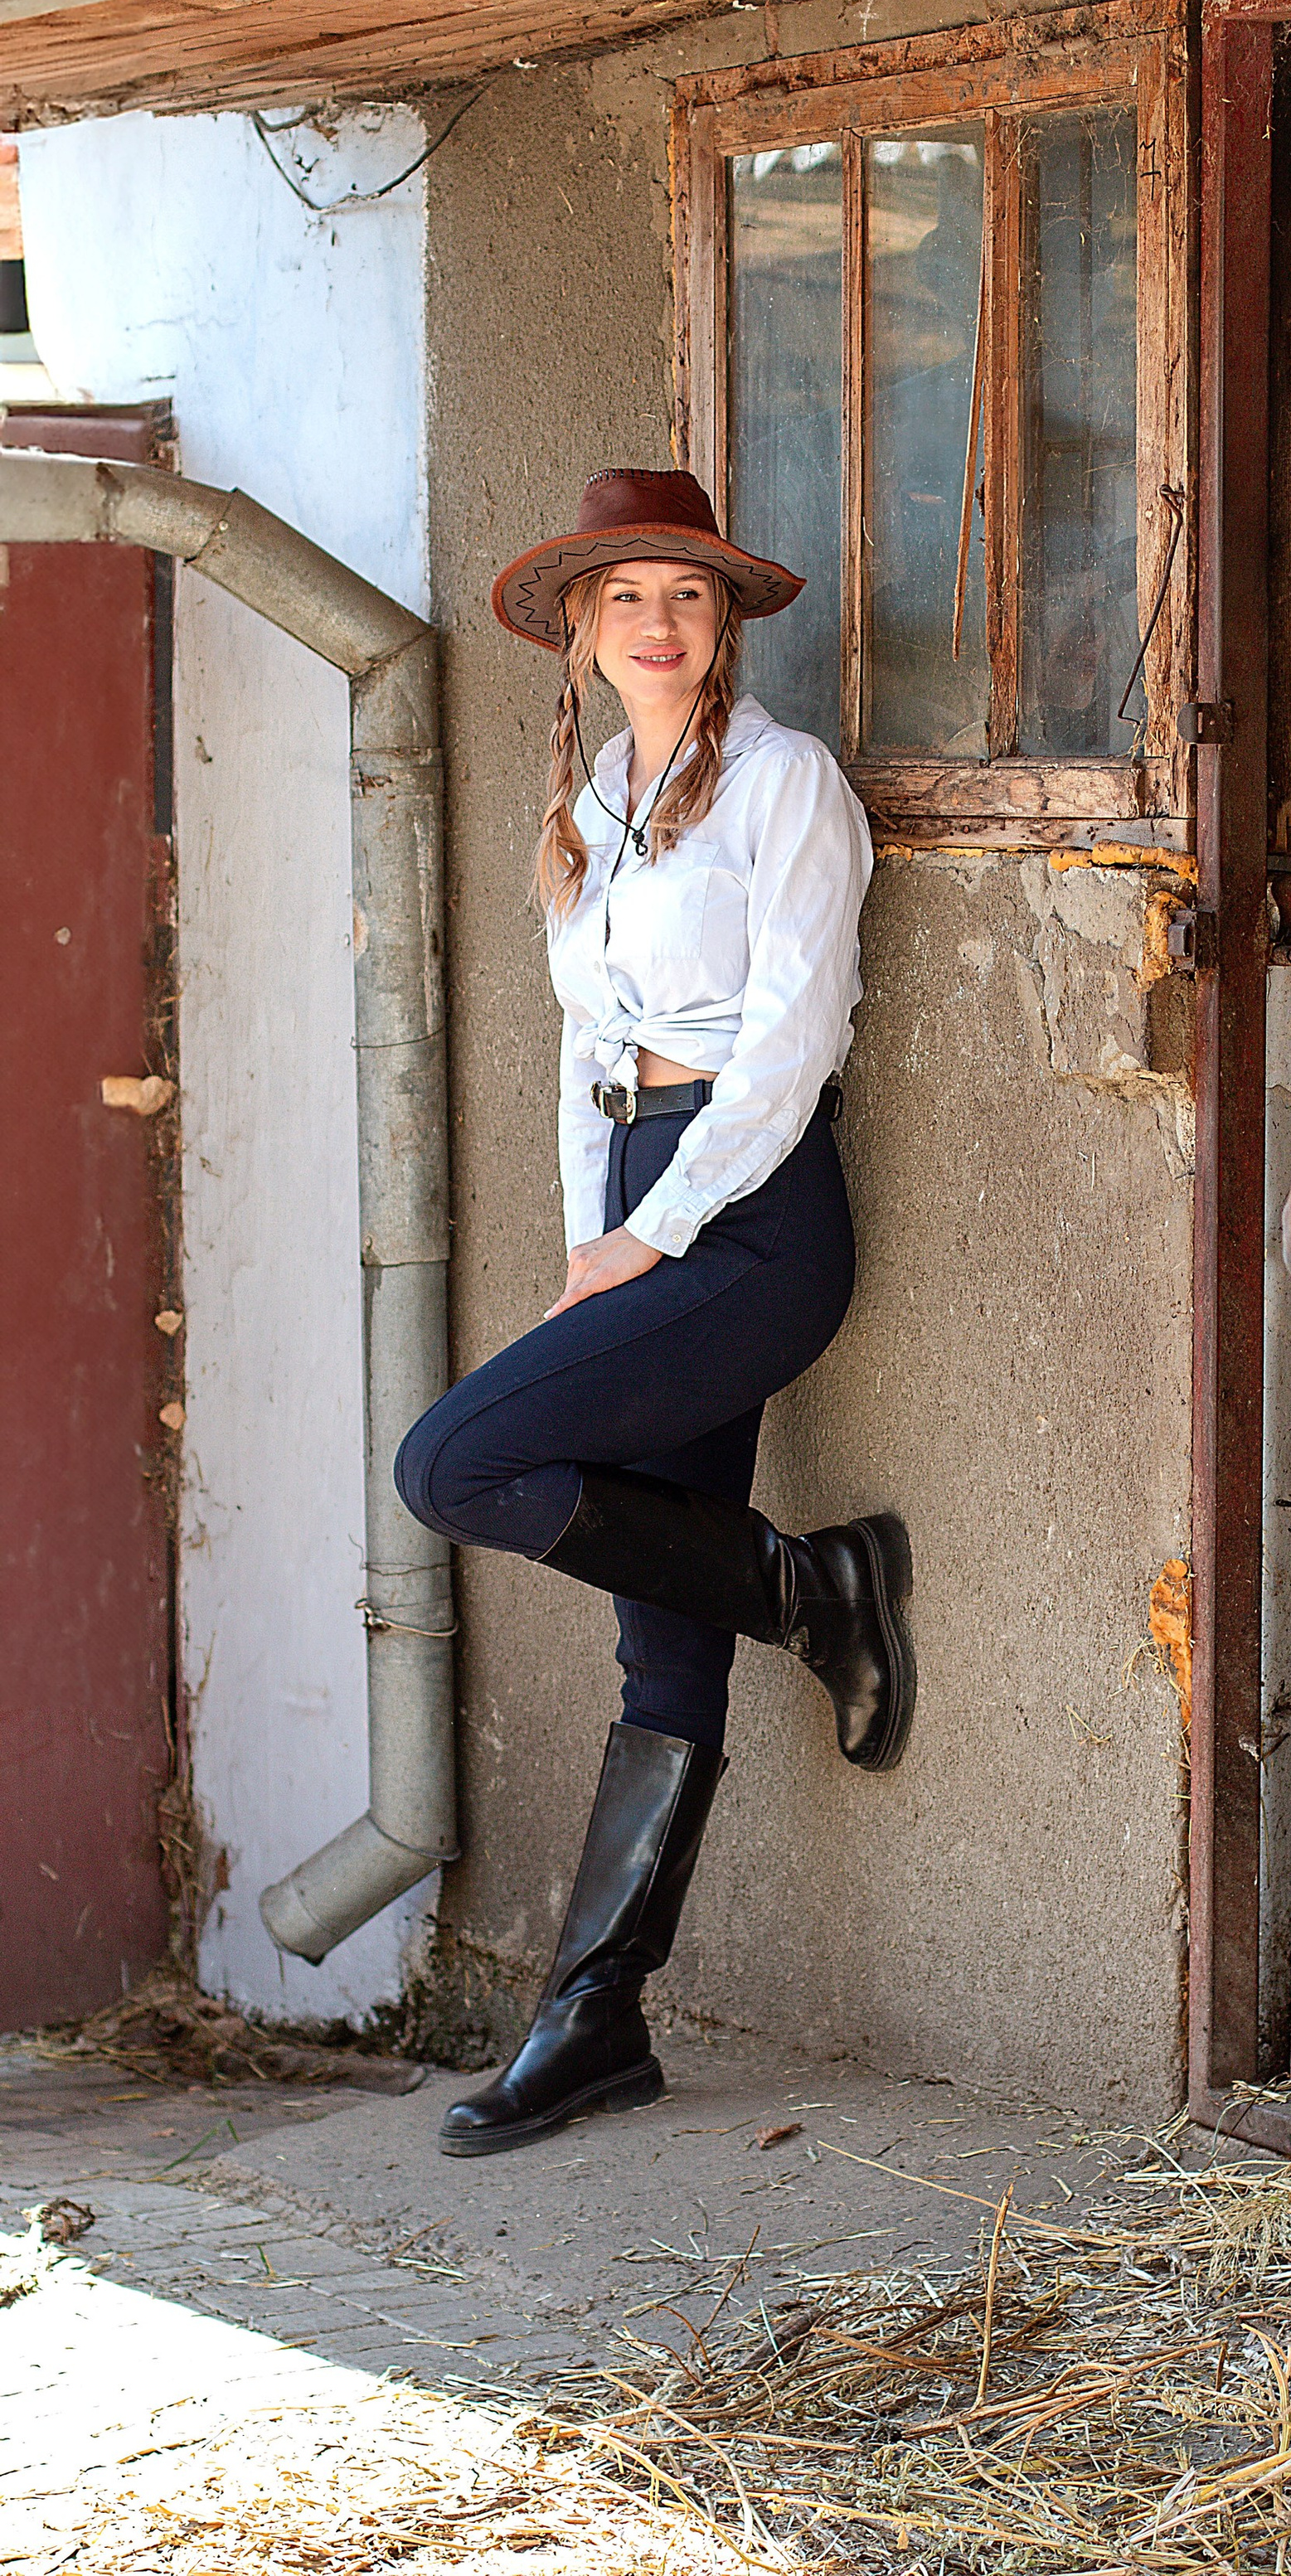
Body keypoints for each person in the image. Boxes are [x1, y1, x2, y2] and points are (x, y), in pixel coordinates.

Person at [395, 466, 911, 2158]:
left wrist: (666, 1229)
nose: (657, 622)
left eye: (685, 596)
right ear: (579, 632)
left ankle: (806, 1585)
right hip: (640, 1203)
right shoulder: (595, 800)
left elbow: (794, 1033)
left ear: (724, 624)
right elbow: (583, 1056)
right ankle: (597, 2020)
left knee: (452, 1465)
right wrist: (587, 1240)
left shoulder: (783, 784)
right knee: (654, 1630)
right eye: (625, 596)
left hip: (752, 1220)